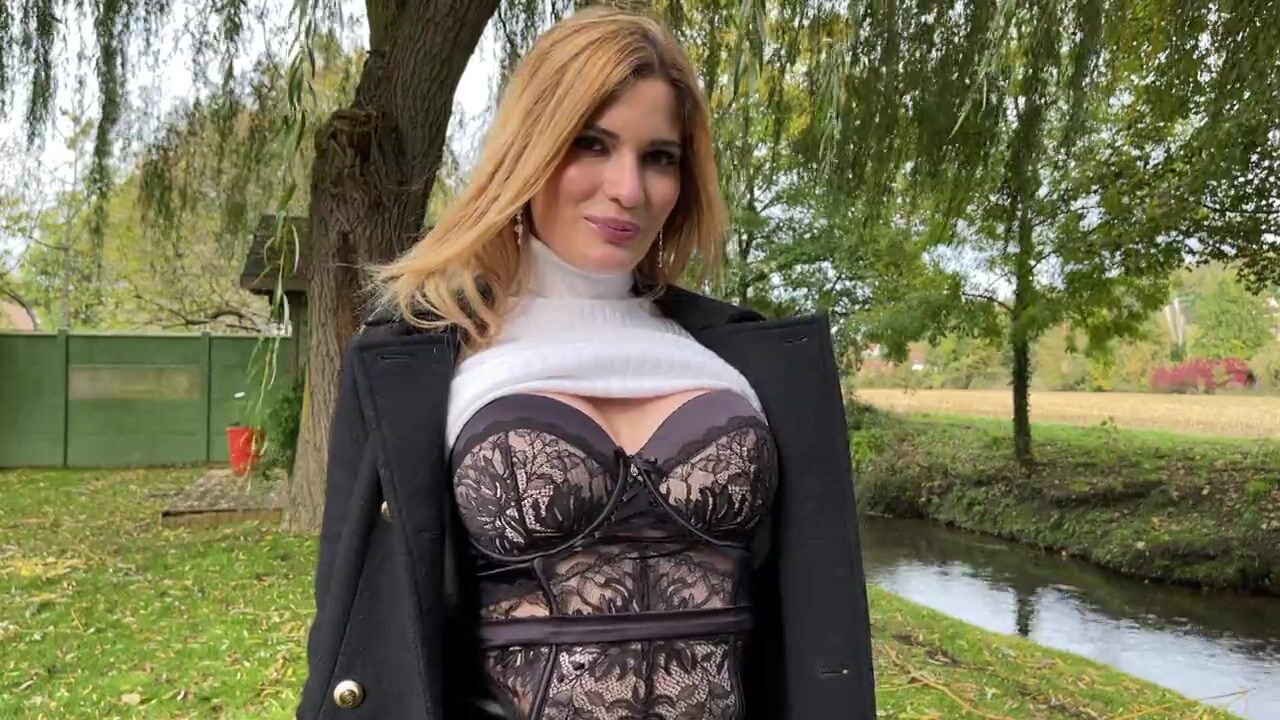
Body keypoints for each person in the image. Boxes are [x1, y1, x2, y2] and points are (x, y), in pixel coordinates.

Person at [296, 7, 874, 720]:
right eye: (591, 144)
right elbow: (352, 622)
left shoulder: (741, 360)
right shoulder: (420, 365)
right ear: (530, 149)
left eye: (659, 157)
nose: (628, 189)